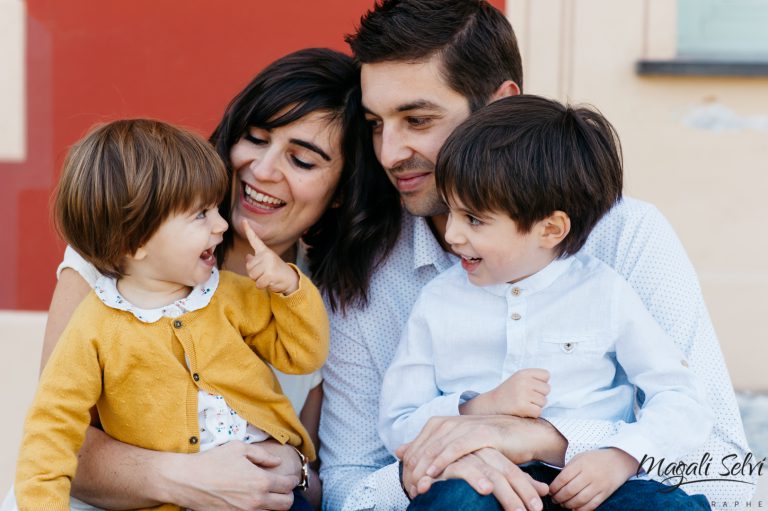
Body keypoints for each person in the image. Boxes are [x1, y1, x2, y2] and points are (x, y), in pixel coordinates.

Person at [318, 1, 753, 510]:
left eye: (418, 119)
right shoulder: (365, 272)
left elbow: (730, 478)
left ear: (501, 104)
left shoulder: (624, 236)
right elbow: (348, 484)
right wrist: (438, 463)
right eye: (375, 123)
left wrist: (551, 439)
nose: (389, 152)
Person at [14, 48, 366, 511]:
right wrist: (184, 477)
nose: (261, 171)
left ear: (342, 191)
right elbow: (57, 438)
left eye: (302, 161)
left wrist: (296, 472)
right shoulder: (121, 242)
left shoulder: (317, 295)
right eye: (256, 139)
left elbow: (326, 475)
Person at [379, 95, 713, 511]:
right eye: (452, 213)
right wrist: (480, 408)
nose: (452, 236)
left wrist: (622, 456)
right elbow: (397, 424)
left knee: (671, 507)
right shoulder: (438, 301)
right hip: (482, 481)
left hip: (592, 479)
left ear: (550, 228)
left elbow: (681, 399)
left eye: (475, 219)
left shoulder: (604, 293)